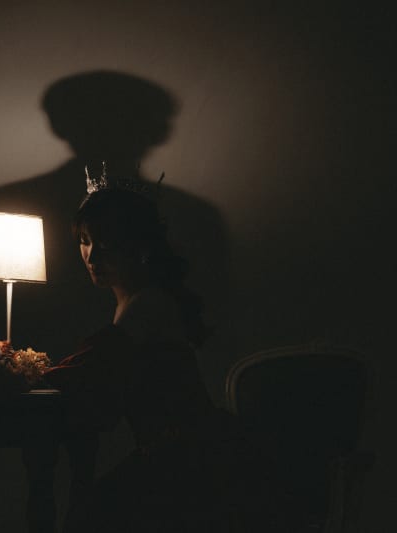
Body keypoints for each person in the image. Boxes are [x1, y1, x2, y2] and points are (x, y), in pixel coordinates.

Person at [43, 177, 289, 533]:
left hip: (193, 459)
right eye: (84, 241)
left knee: (93, 514)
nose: (92, 256)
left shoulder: (148, 303)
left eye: (106, 242)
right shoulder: (132, 301)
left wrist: (30, 374)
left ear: (138, 246)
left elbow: (97, 363)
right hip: (170, 453)